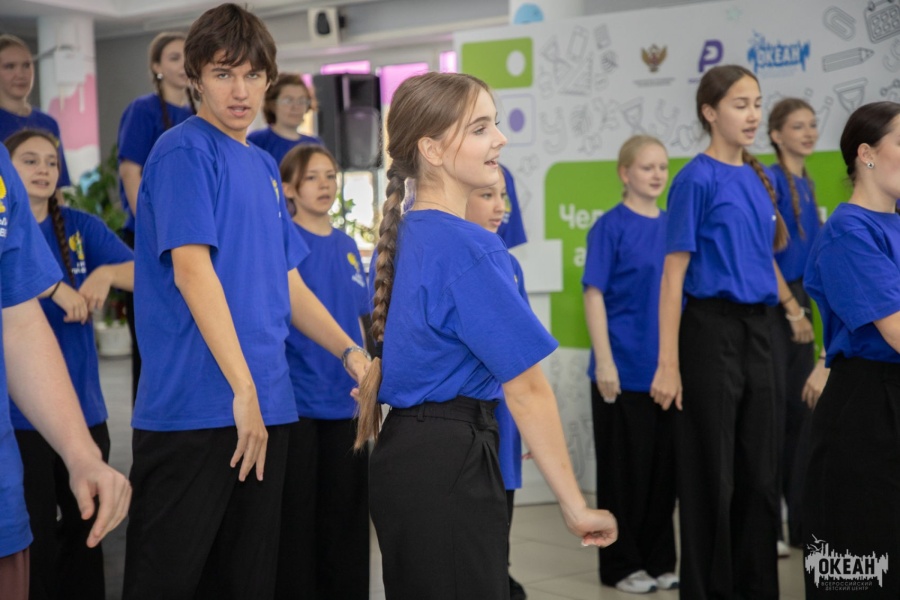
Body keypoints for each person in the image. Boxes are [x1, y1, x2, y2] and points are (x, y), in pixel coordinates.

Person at [121, 5, 368, 599]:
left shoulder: (261, 164)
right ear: (195, 78)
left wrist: (350, 353)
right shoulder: (183, 151)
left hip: (268, 407)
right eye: (224, 73)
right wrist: (242, 388)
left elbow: (288, 282)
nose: (240, 91)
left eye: (253, 75)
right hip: (198, 409)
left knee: (248, 582)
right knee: (168, 582)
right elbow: (192, 271)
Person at [354, 71, 618, 600]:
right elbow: (528, 389)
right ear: (431, 149)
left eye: (493, 124)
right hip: (449, 462)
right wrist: (575, 506)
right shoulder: (470, 247)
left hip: (406, 455)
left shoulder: (407, 233)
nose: (500, 138)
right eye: (479, 128)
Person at [650, 64, 785, 599]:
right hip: (710, 331)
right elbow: (673, 276)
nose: (752, 115)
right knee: (713, 478)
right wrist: (668, 363)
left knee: (760, 477)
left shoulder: (759, 177)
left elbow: (764, 256)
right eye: (739, 104)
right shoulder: (694, 179)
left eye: (757, 104)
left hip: (761, 331)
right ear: (710, 112)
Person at [5, 129, 133, 600]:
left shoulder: (80, 227)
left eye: (51, 162)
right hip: (20, 421)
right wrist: (56, 288)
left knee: (87, 538)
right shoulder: (12, 235)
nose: (43, 169)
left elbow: (147, 271)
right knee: (35, 542)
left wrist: (105, 272)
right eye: (29, 160)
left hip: (84, 413)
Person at [802, 100, 900, 598]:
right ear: (867, 154)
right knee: (862, 573)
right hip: (867, 413)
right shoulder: (848, 230)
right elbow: (896, 331)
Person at [274, 143, 370, 599]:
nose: (324, 185)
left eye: (330, 175)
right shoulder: (284, 244)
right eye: (312, 177)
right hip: (299, 405)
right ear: (289, 189)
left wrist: (369, 383)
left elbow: (359, 323)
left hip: (346, 404)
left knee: (346, 521)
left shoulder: (349, 247)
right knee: (298, 524)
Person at [583, 135, 677, 594]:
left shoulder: (675, 226)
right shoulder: (610, 227)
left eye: (662, 167)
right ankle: (621, 565)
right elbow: (594, 294)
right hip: (620, 373)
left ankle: (660, 561)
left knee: (664, 475)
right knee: (624, 476)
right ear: (625, 173)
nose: (657, 175)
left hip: (668, 373)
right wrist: (605, 362)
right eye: (646, 167)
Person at [117, 31, 195, 402]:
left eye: (187, 57)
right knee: (150, 341)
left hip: (192, 239)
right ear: (156, 66)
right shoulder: (143, 110)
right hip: (149, 241)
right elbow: (130, 171)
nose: (183, 65)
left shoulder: (198, 114)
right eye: (174, 57)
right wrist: (153, 231)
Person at [465, 178, 530, 600]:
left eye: (502, 196)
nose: (499, 206)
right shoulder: (454, 259)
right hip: (464, 419)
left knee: (500, 509)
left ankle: (500, 574)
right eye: (487, 195)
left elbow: (523, 358)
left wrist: (532, 424)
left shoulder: (510, 264)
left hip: (505, 413)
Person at [766, 97, 821, 553]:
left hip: (803, 302)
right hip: (777, 306)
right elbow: (760, 253)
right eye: (797, 126)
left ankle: (801, 523)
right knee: (773, 418)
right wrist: (792, 309)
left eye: (812, 125)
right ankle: (769, 526)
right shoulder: (769, 180)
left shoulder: (808, 183)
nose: (808, 132)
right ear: (776, 135)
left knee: (802, 418)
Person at [0, 35, 71, 187]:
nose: (20, 74)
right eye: (10, 66)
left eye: (26, 65)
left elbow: (57, 186)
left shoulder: (48, 123)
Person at [248, 73, 322, 166]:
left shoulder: (314, 144)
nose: (296, 107)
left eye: (301, 101)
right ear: (272, 105)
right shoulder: (257, 141)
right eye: (288, 100)